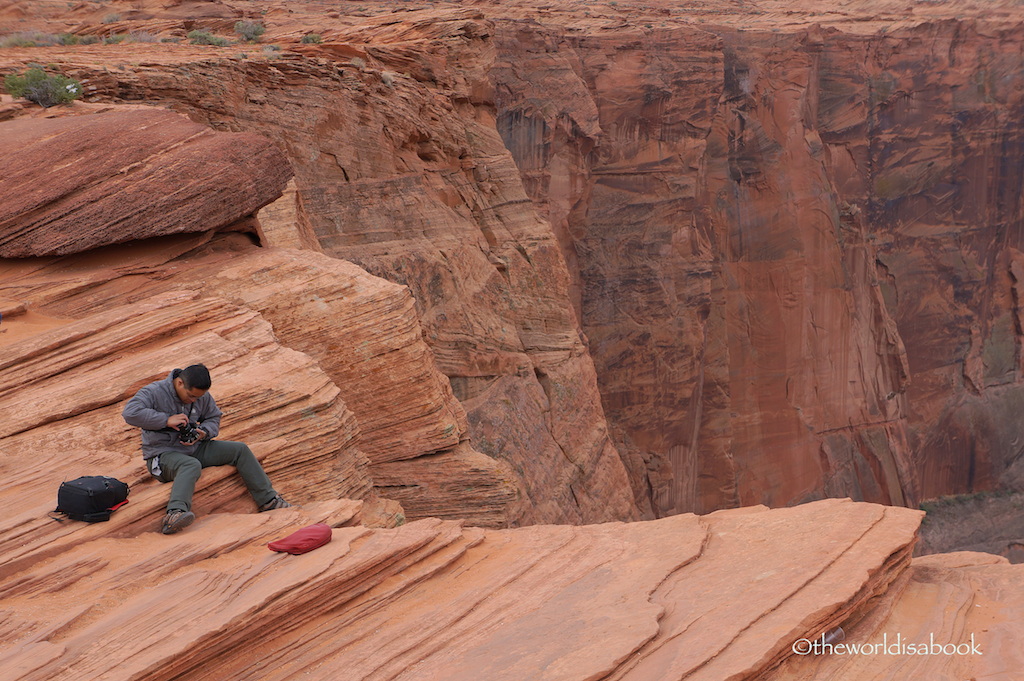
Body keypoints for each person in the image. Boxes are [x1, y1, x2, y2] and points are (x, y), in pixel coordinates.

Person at [123, 363, 291, 534]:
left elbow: (213, 417)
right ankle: (174, 514)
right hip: (162, 455)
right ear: (180, 383)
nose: (194, 400)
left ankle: (269, 501)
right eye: (191, 396)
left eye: (198, 397)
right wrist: (166, 420)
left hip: (194, 448)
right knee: (190, 465)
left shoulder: (201, 396)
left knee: (239, 449)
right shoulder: (153, 392)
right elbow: (130, 413)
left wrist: (203, 432)